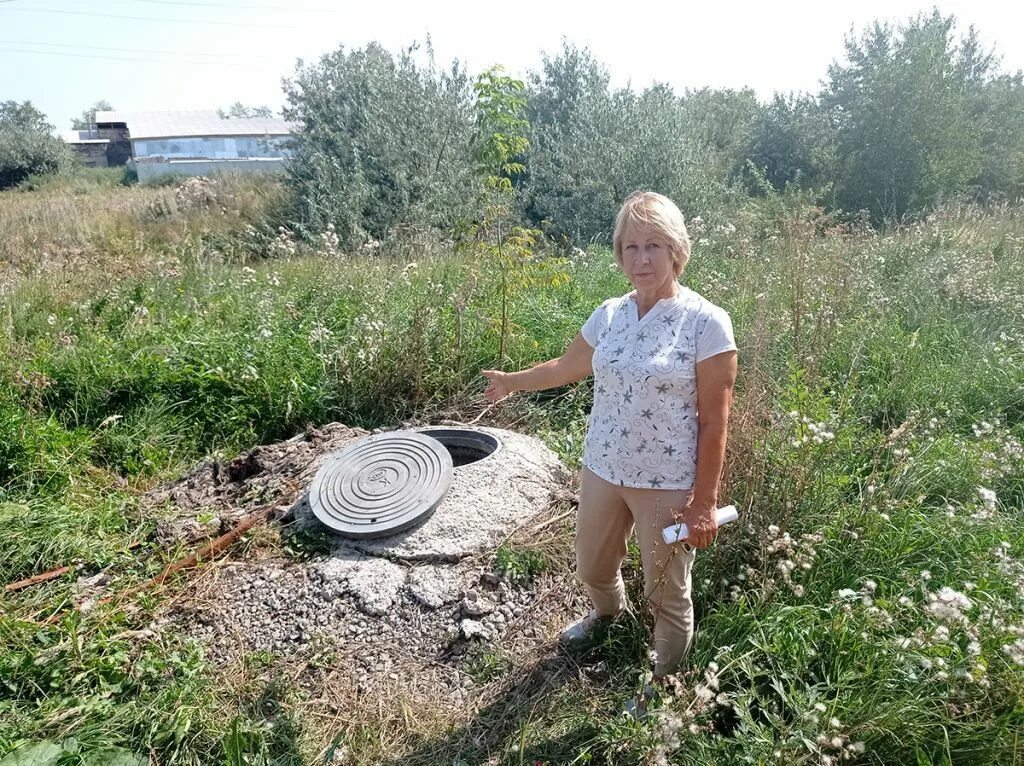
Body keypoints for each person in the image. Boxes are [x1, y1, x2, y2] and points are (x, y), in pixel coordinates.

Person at [482, 191, 738, 692]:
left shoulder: (706, 323)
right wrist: (513, 380)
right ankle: (607, 618)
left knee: (667, 592)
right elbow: (567, 366)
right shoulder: (610, 314)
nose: (641, 259)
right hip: (603, 466)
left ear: (676, 251)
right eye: (631, 247)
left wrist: (704, 502)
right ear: (619, 253)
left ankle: (660, 685)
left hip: (666, 482)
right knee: (592, 564)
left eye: (654, 247)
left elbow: (715, 423)